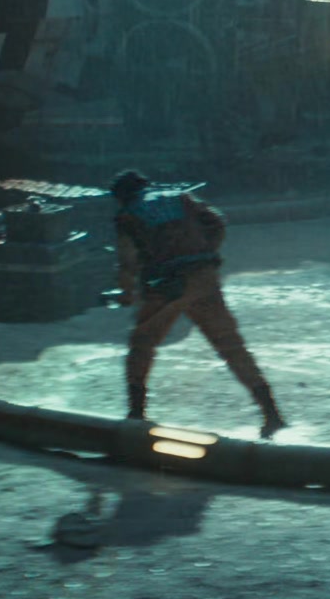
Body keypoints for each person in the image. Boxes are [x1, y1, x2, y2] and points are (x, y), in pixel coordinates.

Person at [111, 170, 286, 438]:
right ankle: (271, 412)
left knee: (143, 344)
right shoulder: (181, 197)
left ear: (122, 196)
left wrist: (127, 292)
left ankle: (136, 412)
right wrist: (205, 252)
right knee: (230, 345)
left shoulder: (128, 215)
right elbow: (217, 222)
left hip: (166, 285)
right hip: (204, 277)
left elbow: (128, 260)